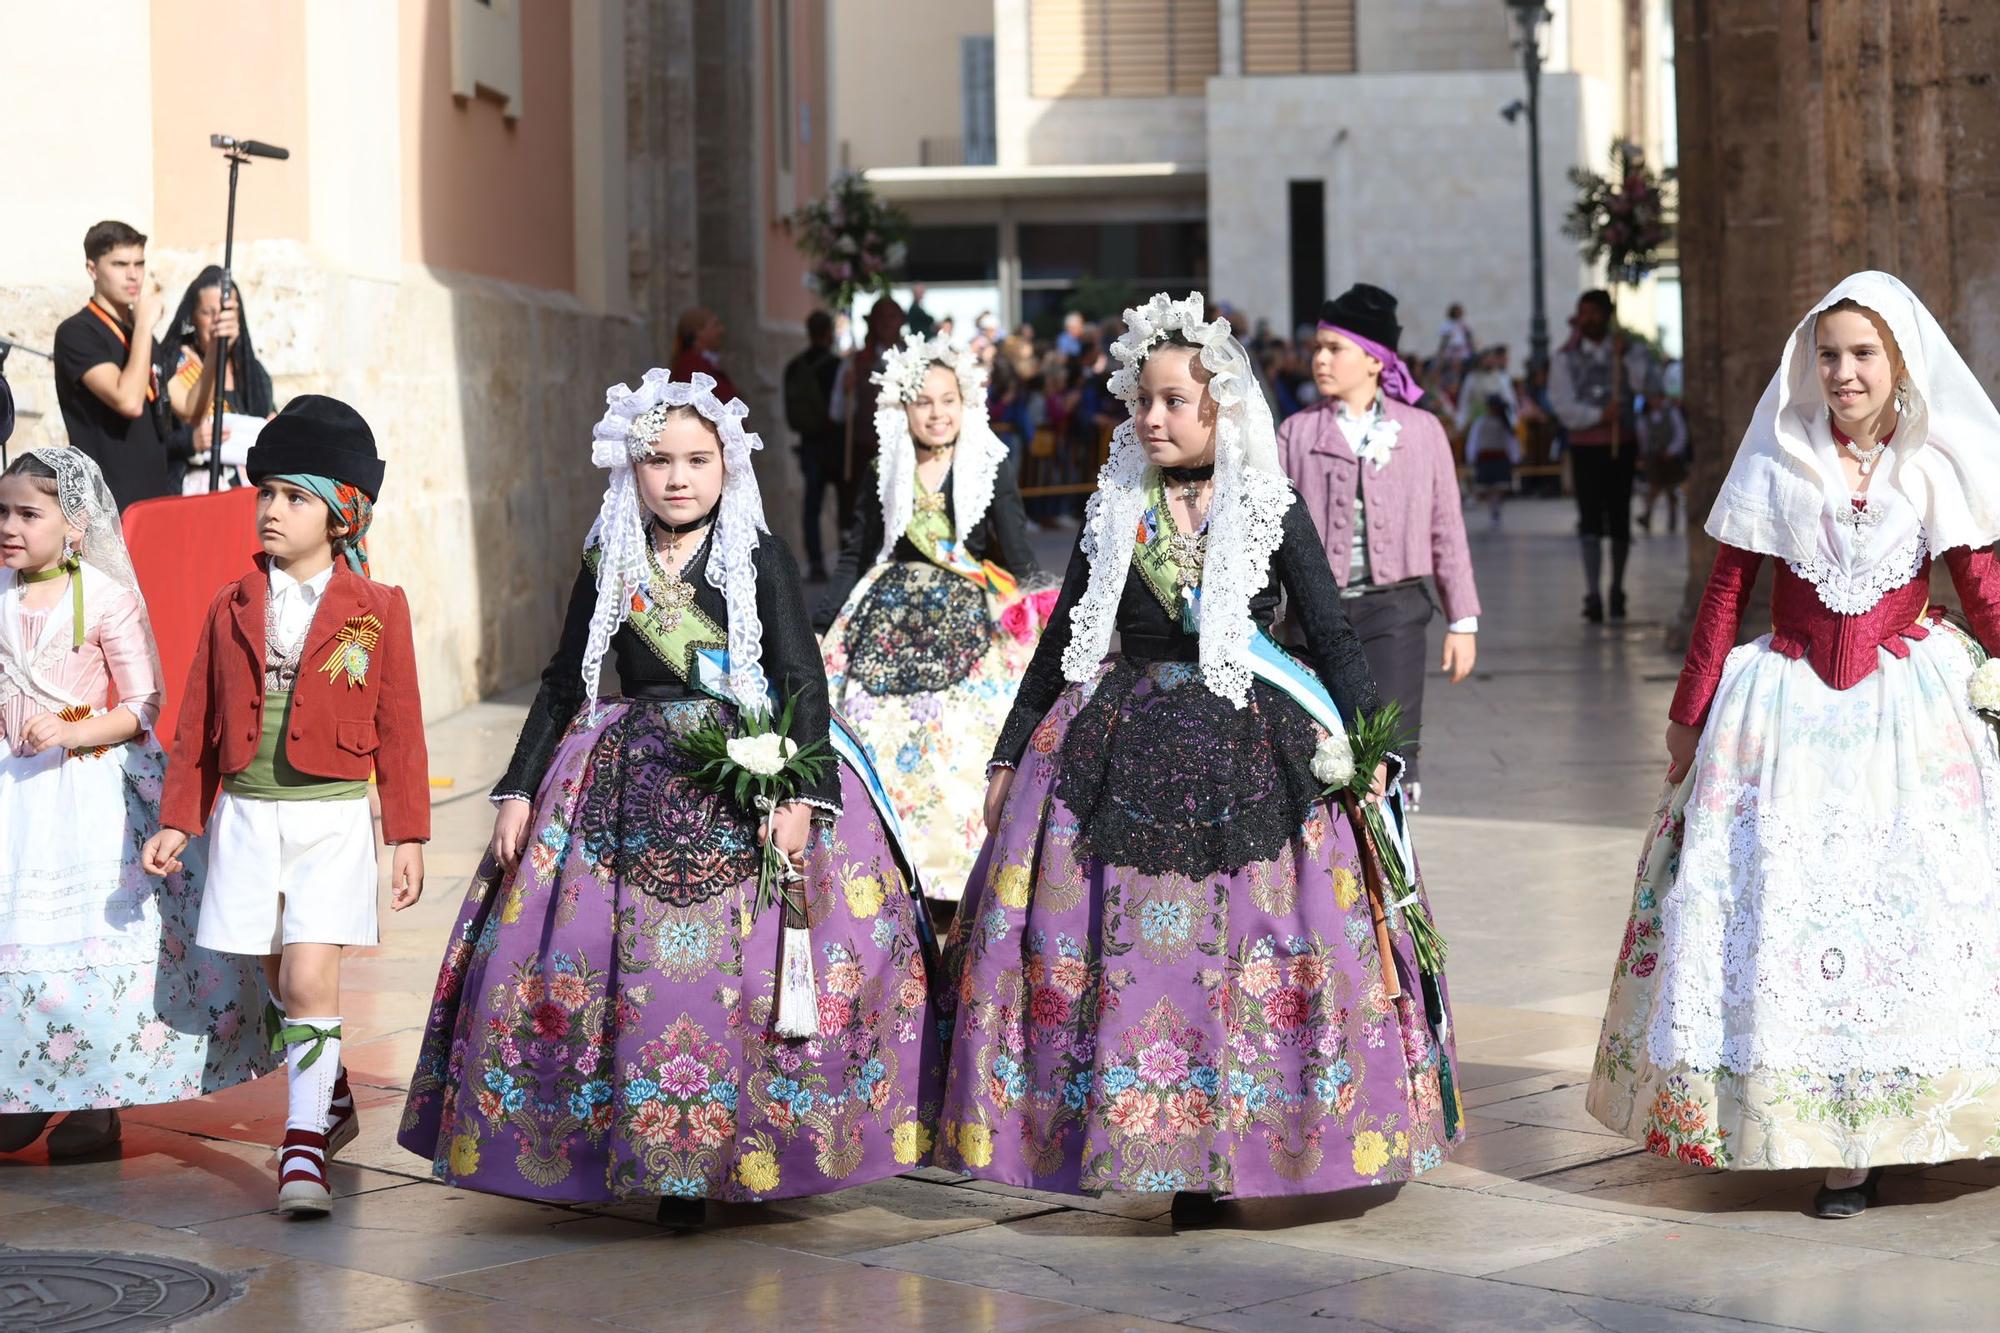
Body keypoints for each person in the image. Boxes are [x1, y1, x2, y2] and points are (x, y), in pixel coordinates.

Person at [938, 292, 1461, 1226]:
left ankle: (1247, 1143)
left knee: (1243, 949)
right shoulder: (1115, 511)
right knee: (1135, 958)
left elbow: (1333, 635)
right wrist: (1010, 753)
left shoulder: (1268, 504)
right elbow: (1066, 640)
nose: (1153, 417)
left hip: (1253, 750)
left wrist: (1372, 745)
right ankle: (1154, 1143)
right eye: (1143, 400)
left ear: (1222, 407)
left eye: (1176, 401)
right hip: (1114, 742)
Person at [397, 369, 941, 1230]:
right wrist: (515, 789)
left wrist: (801, 793)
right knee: (613, 964)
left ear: (727, 463)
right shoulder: (609, 554)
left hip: (746, 777)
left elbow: (801, 676)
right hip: (622, 780)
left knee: (741, 975)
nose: (678, 477)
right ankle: (637, 1150)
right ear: (630, 467)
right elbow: (560, 681)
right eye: (658, 460)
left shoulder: (759, 555)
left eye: (696, 458)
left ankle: (745, 1150)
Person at [1586, 272, 2000, 1219]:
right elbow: (1728, 590)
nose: (1845, 372)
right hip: (1785, 715)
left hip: (1910, 714)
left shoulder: (1934, 463)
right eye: (1830, 355)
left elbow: (1983, 589)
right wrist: (1688, 716)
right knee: (1794, 908)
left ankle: (1914, 1107)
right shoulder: (1777, 454)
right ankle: (1831, 1140)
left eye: (1863, 355)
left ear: (1899, 364)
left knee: (1911, 910)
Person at [142, 396, 429, 1217]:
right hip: (245, 815)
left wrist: (406, 831)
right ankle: (327, 1089)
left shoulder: (376, 610)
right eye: (265, 491)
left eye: (294, 496)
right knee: (276, 972)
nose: (271, 509)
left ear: (341, 513)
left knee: (310, 971)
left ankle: (300, 1147)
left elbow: (400, 725)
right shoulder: (230, 603)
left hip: (332, 819)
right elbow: (196, 719)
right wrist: (178, 815)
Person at [0, 448, 273, 1157]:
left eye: (28, 513)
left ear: (74, 525)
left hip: (85, 790)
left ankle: (100, 1098)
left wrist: (72, 729)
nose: (10, 526)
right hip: (13, 789)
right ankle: (25, 1087)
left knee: (97, 936)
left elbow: (143, 701)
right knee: (22, 938)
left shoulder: (104, 596)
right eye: (2, 512)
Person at [818, 334, 1046, 902]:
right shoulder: (883, 466)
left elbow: (1016, 551)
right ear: (903, 408)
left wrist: (1041, 615)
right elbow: (856, 551)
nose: (938, 413)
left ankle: (959, 872)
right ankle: (892, 864)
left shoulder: (989, 462)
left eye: (948, 400)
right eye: (925, 402)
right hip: (886, 614)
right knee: (876, 725)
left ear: (966, 401)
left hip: (968, 610)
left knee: (966, 730)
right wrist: (824, 620)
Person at [1278, 285, 1482, 806]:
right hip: (1314, 617)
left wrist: (1462, 621)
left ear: (1374, 359)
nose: (1319, 359)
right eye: (1317, 348)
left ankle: (1390, 870)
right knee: (1316, 749)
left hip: (1395, 613)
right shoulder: (1296, 434)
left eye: (1334, 348)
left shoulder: (1422, 431)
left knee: (1386, 754)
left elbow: (1446, 527)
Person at [1547, 290, 1657, 622]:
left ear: (1607, 315)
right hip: (1586, 447)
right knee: (1590, 517)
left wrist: (1627, 359)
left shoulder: (1626, 352)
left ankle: (1617, 588)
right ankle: (1593, 591)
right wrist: (1598, 415)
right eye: (1584, 313)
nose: (1589, 319)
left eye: (1595, 313)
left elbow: (1648, 387)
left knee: (1620, 516)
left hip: (1620, 446)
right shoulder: (1565, 357)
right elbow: (1563, 404)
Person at [51, 221, 170, 510]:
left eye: (139, 264)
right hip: (109, 503)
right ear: (92, 269)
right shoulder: (77, 332)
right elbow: (128, 401)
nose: (133, 275)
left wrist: (218, 341)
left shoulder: (140, 333)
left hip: (158, 495)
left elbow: (187, 406)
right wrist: (143, 324)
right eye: (120, 264)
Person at [159, 266, 277, 493]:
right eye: (207, 313)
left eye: (224, 312)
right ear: (193, 316)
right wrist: (189, 441)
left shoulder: (253, 373)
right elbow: (152, 441)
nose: (217, 321)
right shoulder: (173, 363)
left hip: (248, 490)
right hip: (193, 487)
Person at [831, 296, 905, 534]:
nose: (886, 323)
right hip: (865, 451)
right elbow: (838, 413)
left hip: (904, 452)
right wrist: (846, 390)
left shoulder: (914, 359)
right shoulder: (854, 362)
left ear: (901, 321)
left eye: (891, 316)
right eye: (880, 317)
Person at [782, 310, 844, 581]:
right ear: (828, 332)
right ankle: (846, 558)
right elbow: (841, 409)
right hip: (836, 444)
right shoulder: (837, 366)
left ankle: (816, 562)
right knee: (845, 502)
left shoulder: (794, 367)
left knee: (812, 505)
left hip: (809, 444)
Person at [1635, 392, 1689, 534]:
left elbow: (1680, 433)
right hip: (1655, 457)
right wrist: (1644, 457)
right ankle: (1648, 515)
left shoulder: (1671, 414)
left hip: (1671, 458)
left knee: (1671, 488)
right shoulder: (1645, 418)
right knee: (1654, 487)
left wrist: (1672, 450)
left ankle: (1672, 518)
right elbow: (1643, 439)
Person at [1466, 395, 1521, 527]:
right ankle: (1493, 510)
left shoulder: (1504, 423)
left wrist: (1515, 456)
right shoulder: (1480, 422)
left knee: (1499, 487)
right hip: (1485, 457)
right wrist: (1471, 455)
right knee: (1488, 488)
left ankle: (1496, 510)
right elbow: (1474, 440)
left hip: (1500, 457)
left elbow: (1510, 440)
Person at [669, 307, 738, 406]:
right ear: (699, 331)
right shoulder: (691, 365)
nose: (721, 330)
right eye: (715, 325)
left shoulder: (703, 361)